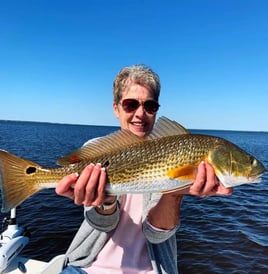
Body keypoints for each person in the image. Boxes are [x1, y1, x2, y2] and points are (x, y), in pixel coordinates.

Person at [56, 64, 233, 274]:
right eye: (130, 104)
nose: (140, 113)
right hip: (87, 267)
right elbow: (102, 224)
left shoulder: (174, 153)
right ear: (116, 108)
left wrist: (174, 194)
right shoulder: (96, 151)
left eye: (150, 106)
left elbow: (156, 235)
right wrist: (106, 200)